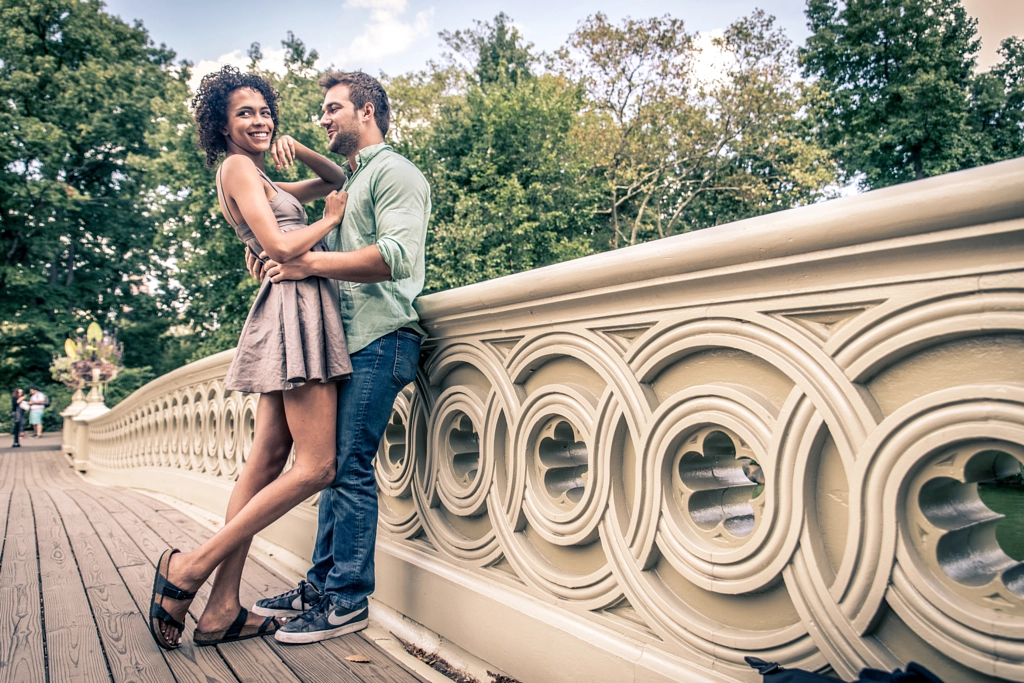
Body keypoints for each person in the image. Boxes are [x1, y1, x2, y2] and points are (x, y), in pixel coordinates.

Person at [147, 66, 352, 650]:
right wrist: (331, 222)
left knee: (265, 461)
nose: (259, 121)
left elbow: (338, 174)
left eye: (265, 112)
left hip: (288, 306)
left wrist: (303, 148)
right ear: (222, 124)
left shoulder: (261, 176)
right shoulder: (237, 168)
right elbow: (281, 246)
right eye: (245, 113)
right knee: (319, 466)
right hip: (295, 309)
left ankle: (222, 610)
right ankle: (188, 569)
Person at [246, 71, 429, 645]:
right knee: (326, 466)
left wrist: (308, 265)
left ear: (367, 110)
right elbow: (317, 250)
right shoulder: (351, 180)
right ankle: (321, 585)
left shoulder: (396, 173)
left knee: (346, 467)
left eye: (332, 109)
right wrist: (279, 262)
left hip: (383, 337)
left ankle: (347, 601)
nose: (323, 118)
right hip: (344, 344)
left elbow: (397, 257)